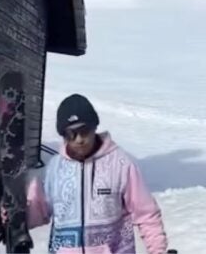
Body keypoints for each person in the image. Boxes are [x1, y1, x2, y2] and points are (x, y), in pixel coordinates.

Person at [13, 94, 170, 254]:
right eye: (71, 134)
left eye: (84, 131)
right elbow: (38, 212)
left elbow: (146, 214)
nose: (79, 139)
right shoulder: (54, 169)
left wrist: (157, 251)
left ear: (94, 128)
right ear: (63, 135)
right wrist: (15, 214)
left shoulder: (120, 164)